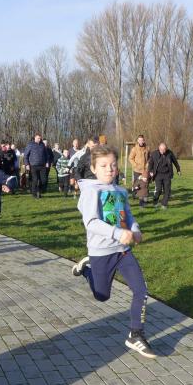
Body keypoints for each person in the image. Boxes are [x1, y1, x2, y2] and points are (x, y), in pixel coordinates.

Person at [71, 145, 155, 358]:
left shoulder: (120, 191)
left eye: (113, 165)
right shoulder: (91, 191)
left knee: (141, 289)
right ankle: (87, 269)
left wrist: (135, 230)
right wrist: (117, 233)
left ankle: (136, 334)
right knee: (102, 296)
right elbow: (91, 222)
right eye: (103, 165)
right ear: (93, 168)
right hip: (101, 252)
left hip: (123, 251)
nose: (109, 169)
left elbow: (128, 216)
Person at [147, 142, 181, 209]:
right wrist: (150, 171)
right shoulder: (154, 154)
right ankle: (155, 201)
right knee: (159, 189)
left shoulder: (170, 153)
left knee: (167, 190)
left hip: (167, 174)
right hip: (157, 174)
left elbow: (175, 161)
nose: (163, 151)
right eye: (161, 150)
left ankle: (164, 204)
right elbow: (150, 163)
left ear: (166, 149)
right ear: (159, 148)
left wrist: (178, 170)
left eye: (164, 149)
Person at [23, 133, 52, 198]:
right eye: (38, 138)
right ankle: (34, 193)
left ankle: (39, 191)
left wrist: (47, 162)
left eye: (40, 138)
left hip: (42, 166)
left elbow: (46, 155)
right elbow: (26, 155)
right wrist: (27, 164)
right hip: (33, 165)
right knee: (35, 180)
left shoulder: (42, 145)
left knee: (44, 180)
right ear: (35, 138)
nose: (39, 139)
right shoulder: (30, 145)